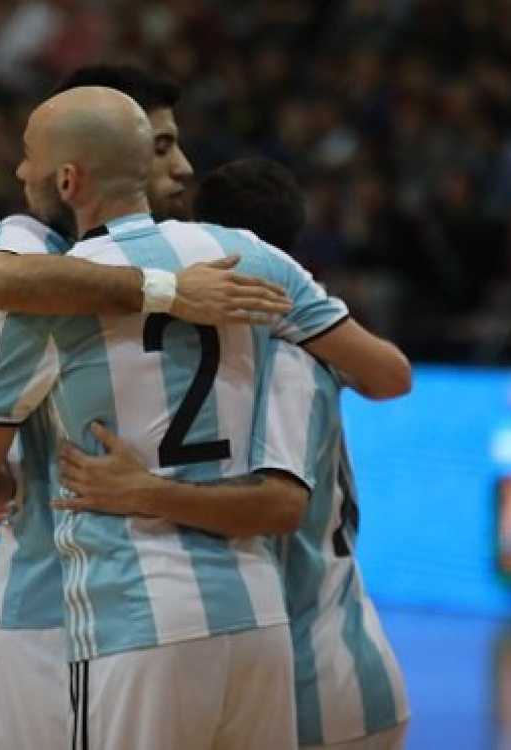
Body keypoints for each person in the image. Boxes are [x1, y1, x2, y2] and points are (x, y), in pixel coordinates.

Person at [0, 85, 360, 748]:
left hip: (129, 620)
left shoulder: (45, 290)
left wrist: (20, 487)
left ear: (67, 177)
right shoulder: (246, 257)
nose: (19, 172)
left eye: (28, 156)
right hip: (258, 614)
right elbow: (385, 370)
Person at [55, 157, 411, 749]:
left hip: (324, 683)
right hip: (313, 663)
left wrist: (141, 491)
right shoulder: (273, 352)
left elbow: (279, 505)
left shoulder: (290, 363)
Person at [0, 65, 411, 401]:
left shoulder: (213, 253)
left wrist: (289, 344)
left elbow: (386, 374)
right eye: (161, 147)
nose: (184, 166)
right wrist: (169, 291)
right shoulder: (33, 239)